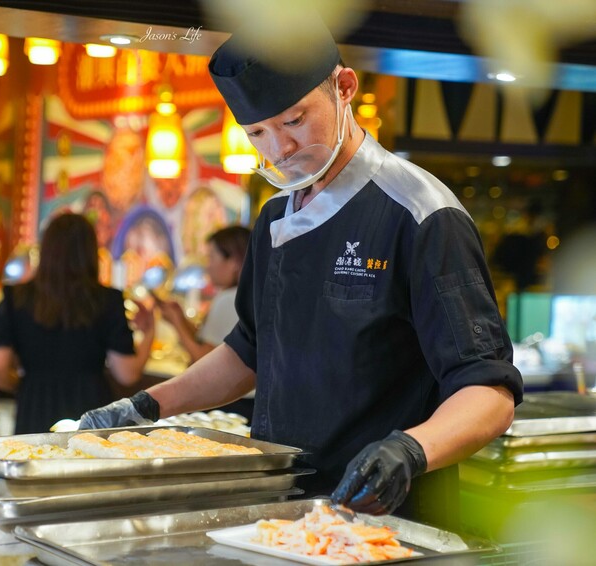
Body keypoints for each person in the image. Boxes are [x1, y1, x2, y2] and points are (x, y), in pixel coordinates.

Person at [78, 21, 523, 525]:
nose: (279, 149)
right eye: (257, 133)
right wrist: (143, 407)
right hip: (281, 507)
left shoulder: (421, 213)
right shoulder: (275, 218)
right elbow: (250, 349)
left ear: (345, 88)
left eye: (294, 121)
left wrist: (410, 450)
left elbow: (489, 392)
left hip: (388, 515)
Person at [0, 213, 155, 433]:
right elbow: (127, 373)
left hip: (35, 406)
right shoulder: (107, 299)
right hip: (91, 409)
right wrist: (149, 332)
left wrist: (23, 385)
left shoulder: (15, 298)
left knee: (34, 454)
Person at [155, 226, 251, 364]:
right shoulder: (244, 296)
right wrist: (180, 318)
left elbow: (204, 360)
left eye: (211, 258)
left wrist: (177, 323)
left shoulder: (229, 300)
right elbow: (208, 341)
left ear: (234, 262)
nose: (208, 266)